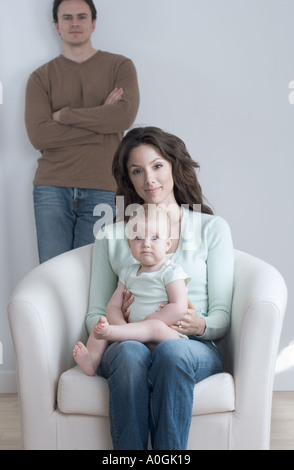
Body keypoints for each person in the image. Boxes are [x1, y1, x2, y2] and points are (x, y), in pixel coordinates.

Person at [86, 126, 234, 450]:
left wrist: (202, 324)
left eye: (157, 166)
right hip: (127, 344)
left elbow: (222, 313)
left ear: (173, 167)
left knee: (173, 350)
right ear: (128, 179)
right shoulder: (111, 236)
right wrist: (125, 328)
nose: (148, 179)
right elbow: (96, 314)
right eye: (136, 171)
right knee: (127, 352)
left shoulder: (211, 228)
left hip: (189, 345)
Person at [25, 0, 140, 263]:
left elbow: (123, 117)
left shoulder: (120, 67)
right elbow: (39, 135)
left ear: (93, 23)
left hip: (104, 186)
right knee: (52, 274)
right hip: (51, 187)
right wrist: (102, 122)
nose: (74, 23)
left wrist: (64, 116)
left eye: (81, 16)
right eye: (67, 18)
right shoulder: (40, 77)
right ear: (57, 26)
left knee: (93, 274)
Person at [73, 204, 191, 376]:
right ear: (129, 243)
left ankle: (120, 332)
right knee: (100, 327)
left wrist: (150, 321)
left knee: (155, 327)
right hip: (132, 337)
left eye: (155, 237)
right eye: (138, 238)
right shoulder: (128, 272)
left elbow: (179, 306)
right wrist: (121, 327)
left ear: (168, 243)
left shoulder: (172, 271)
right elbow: (113, 306)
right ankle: (92, 360)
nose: (146, 244)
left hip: (166, 336)